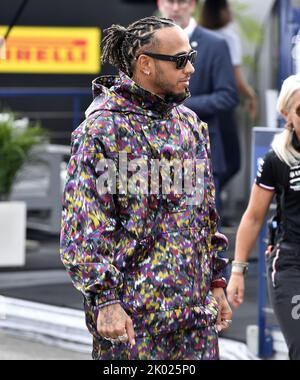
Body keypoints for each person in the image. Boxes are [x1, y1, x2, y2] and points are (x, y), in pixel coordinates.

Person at [60, 16, 232, 360]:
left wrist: (216, 283)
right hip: (133, 321)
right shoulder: (103, 130)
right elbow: (83, 229)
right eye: (180, 60)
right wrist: (105, 300)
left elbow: (205, 216)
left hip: (194, 320)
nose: (191, 70)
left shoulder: (191, 127)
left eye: (191, 58)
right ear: (145, 65)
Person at [227, 75, 300, 360]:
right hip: (291, 263)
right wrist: (237, 271)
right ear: (287, 115)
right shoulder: (277, 158)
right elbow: (254, 217)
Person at [157, 0, 239, 213]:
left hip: (199, 149)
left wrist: (179, 106)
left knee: (202, 230)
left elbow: (228, 96)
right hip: (155, 152)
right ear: (160, 3)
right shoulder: (147, 41)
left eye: (181, 2)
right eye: (170, 1)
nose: (175, 8)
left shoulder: (215, 44)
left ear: (192, 5)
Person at [200, 0, 257, 190]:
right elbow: (236, 80)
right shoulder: (228, 38)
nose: (231, 12)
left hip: (202, 107)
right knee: (232, 162)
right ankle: (212, 192)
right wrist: (251, 95)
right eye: (228, 8)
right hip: (220, 108)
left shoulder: (201, 35)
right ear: (221, 11)